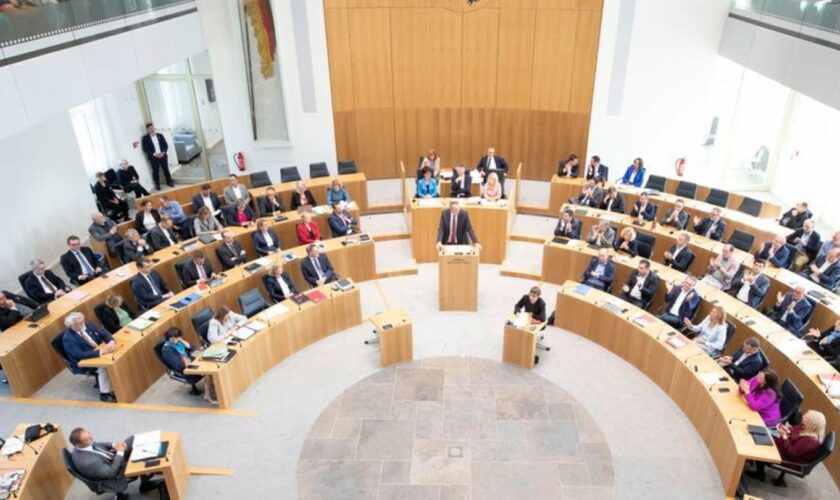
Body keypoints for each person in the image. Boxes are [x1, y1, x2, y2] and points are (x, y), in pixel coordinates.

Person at [68, 427, 164, 495]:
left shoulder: (84, 445)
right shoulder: (89, 463)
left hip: (111, 459)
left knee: (133, 440)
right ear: (78, 444)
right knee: (140, 460)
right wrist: (120, 453)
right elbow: (111, 473)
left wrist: (114, 445)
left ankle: (146, 478)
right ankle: (146, 481)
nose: (92, 439)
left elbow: (101, 444)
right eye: (88, 440)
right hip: (113, 473)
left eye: (90, 436)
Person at [746, 410, 826, 483]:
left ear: (811, 423)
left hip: (791, 460)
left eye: (806, 417)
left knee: (761, 447)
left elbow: (791, 452)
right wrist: (786, 431)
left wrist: (784, 436)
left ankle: (760, 473)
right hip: (785, 447)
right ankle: (753, 464)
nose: (803, 416)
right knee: (761, 438)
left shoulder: (810, 441)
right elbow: (793, 428)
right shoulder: (804, 427)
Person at [61, 312, 117, 402]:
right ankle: (105, 393)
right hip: (84, 361)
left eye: (82, 322)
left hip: (97, 351)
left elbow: (104, 333)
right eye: (78, 324)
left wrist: (111, 341)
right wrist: (101, 352)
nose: (82, 325)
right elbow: (79, 354)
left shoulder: (88, 324)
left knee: (117, 356)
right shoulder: (68, 338)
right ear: (71, 326)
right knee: (103, 367)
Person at [161, 327, 216, 404]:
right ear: (168, 338)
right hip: (184, 369)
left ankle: (211, 385)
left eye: (177, 338)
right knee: (207, 372)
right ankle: (207, 395)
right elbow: (177, 365)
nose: (175, 341)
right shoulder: (167, 350)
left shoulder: (179, 343)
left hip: (191, 362)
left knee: (211, 364)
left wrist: (182, 341)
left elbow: (193, 348)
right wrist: (185, 362)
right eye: (173, 339)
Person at [141, 123, 174, 190]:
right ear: (147, 129)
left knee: (166, 169)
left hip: (163, 156)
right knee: (155, 171)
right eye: (150, 128)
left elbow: (166, 145)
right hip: (153, 158)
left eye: (153, 128)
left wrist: (163, 153)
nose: (152, 129)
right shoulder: (145, 138)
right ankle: (157, 184)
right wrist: (154, 154)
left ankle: (169, 181)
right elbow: (145, 149)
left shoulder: (160, 135)